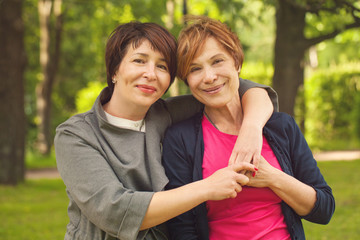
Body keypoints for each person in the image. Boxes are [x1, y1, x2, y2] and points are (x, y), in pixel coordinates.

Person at [54, 21, 278, 240]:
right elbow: (115, 211)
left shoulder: (164, 114)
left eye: (162, 66)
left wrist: (251, 128)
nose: (151, 74)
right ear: (114, 70)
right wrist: (207, 187)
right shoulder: (77, 135)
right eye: (139, 61)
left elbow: (240, 88)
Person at [162, 16, 335, 240]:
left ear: (237, 62)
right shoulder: (180, 139)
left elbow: (324, 209)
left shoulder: (281, 127)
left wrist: (272, 177)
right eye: (195, 69)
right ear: (187, 80)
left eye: (217, 61)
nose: (210, 77)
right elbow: (182, 230)